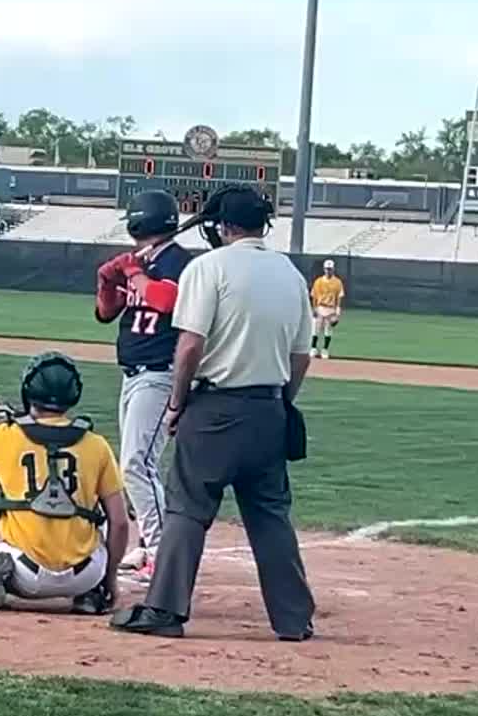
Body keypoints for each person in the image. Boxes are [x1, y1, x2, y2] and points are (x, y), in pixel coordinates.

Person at [111, 186, 318, 642]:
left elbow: (189, 345)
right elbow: (301, 355)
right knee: (270, 516)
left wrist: (176, 402)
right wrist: (283, 400)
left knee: (187, 508)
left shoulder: (208, 267)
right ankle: (294, 619)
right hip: (269, 409)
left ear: (224, 226)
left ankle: (165, 609)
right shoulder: (289, 273)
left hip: (215, 406)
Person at [0, 352, 131, 614]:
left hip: (25, 574)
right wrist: (108, 577)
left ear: (28, 390)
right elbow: (120, 523)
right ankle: (91, 593)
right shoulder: (97, 444)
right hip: (87, 572)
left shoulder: (6, 436)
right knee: (100, 523)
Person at [94, 189, 196, 583]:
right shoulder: (141, 261)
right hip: (133, 372)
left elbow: (165, 300)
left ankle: (159, 551)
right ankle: (148, 545)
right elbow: (107, 313)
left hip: (160, 372)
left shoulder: (176, 261)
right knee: (133, 463)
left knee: (137, 463)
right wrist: (108, 280)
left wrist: (134, 272)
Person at [310, 259, 345, 358]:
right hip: (320, 307)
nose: (328, 271)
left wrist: (337, 312)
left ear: (333, 269)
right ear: (324, 269)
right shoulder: (318, 281)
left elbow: (339, 297)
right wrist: (314, 308)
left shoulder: (338, 282)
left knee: (328, 331)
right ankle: (313, 348)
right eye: (326, 269)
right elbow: (314, 296)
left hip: (331, 309)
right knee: (315, 330)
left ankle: (325, 349)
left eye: (330, 269)